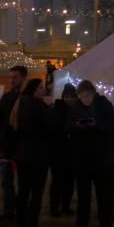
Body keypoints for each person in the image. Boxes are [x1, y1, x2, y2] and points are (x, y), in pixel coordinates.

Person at [69, 80, 114, 227]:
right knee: (83, 191)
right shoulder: (77, 107)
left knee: (104, 192)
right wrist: (77, 126)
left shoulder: (104, 105)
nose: (84, 98)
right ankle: (82, 220)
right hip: (83, 157)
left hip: (103, 157)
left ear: (93, 93)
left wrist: (97, 126)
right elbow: (69, 127)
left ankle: (104, 221)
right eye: (81, 96)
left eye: (87, 95)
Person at [10, 78, 50, 227]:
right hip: (37, 155)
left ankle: (21, 226)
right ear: (33, 90)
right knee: (36, 193)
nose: (43, 90)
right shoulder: (38, 106)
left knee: (23, 191)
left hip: (23, 154)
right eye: (40, 87)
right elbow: (48, 128)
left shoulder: (20, 106)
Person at [0, 65, 28, 219]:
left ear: (23, 78)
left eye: (15, 77)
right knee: (6, 180)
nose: (11, 80)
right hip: (7, 143)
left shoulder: (27, 98)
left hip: (21, 144)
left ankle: (21, 210)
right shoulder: (7, 97)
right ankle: (9, 210)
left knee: (23, 181)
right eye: (10, 77)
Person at [49, 84, 78, 217]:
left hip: (72, 151)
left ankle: (65, 206)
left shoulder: (77, 110)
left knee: (70, 181)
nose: (70, 99)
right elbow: (55, 129)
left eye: (72, 97)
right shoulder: (57, 110)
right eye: (67, 96)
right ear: (63, 97)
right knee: (57, 181)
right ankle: (54, 208)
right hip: (58, 152)